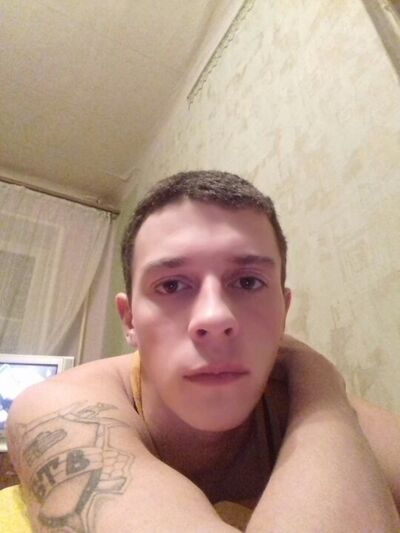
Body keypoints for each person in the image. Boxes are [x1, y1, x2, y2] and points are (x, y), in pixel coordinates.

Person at [6, 171, 400, 532]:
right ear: (130, 320)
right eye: (172, 285)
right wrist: (322, 378)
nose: (214, 316)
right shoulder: (63, 409)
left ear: (283, 312)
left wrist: (320, 383)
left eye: (248, 282)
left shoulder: (328, 405)